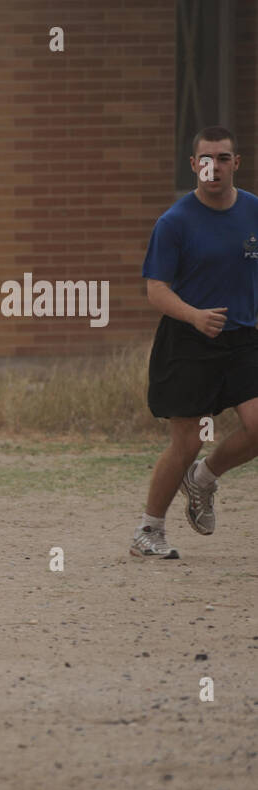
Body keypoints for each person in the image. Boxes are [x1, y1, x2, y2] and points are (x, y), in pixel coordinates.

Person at [133, 126, 258, 558]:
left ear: (235, 163)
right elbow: (156, 290)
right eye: (206, 159)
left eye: (224, 158)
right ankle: (148, 531)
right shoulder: (174, 223)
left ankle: (204, 478)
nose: (215, 166)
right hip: (188, 339)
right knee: (186, 442)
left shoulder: (254, 212)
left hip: (243, 336)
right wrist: (194, 315)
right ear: (194, 165)